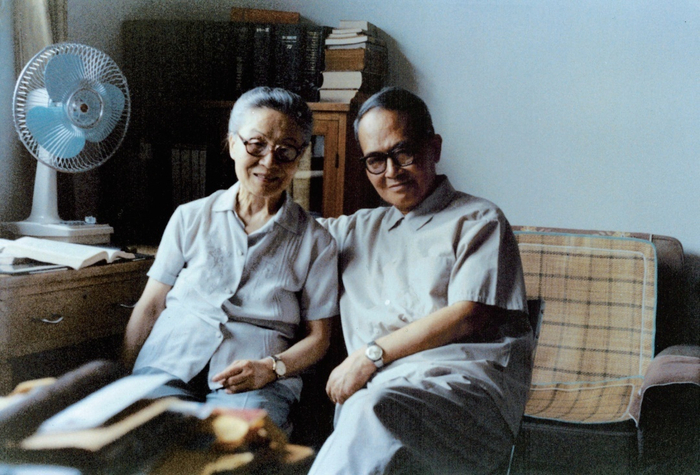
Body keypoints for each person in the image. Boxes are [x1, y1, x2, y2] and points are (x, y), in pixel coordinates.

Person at [308, 87, 533, 474]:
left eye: (404, 153)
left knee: (370, 409)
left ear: (434, 148)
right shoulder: (354, 230)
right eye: (375, 160)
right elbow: (282, 232)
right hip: (379, 400)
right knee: (366, 411)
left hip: (463, 398)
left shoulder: (479, 220)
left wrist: (370, 355)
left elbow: (468, 314)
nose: (391, 172)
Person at [121, 87, 338, 434]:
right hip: (167, 362)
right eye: (256, 144)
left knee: (237, 446)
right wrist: (121, 382)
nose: (269, 162)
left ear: (300, 156)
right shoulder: (190, 217)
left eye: (285, 151)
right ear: (233, 143)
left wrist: (272, 368)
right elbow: (150, 306)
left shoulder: (316, 241)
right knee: (143, 439)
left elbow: (320, 338)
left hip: (255, 379)